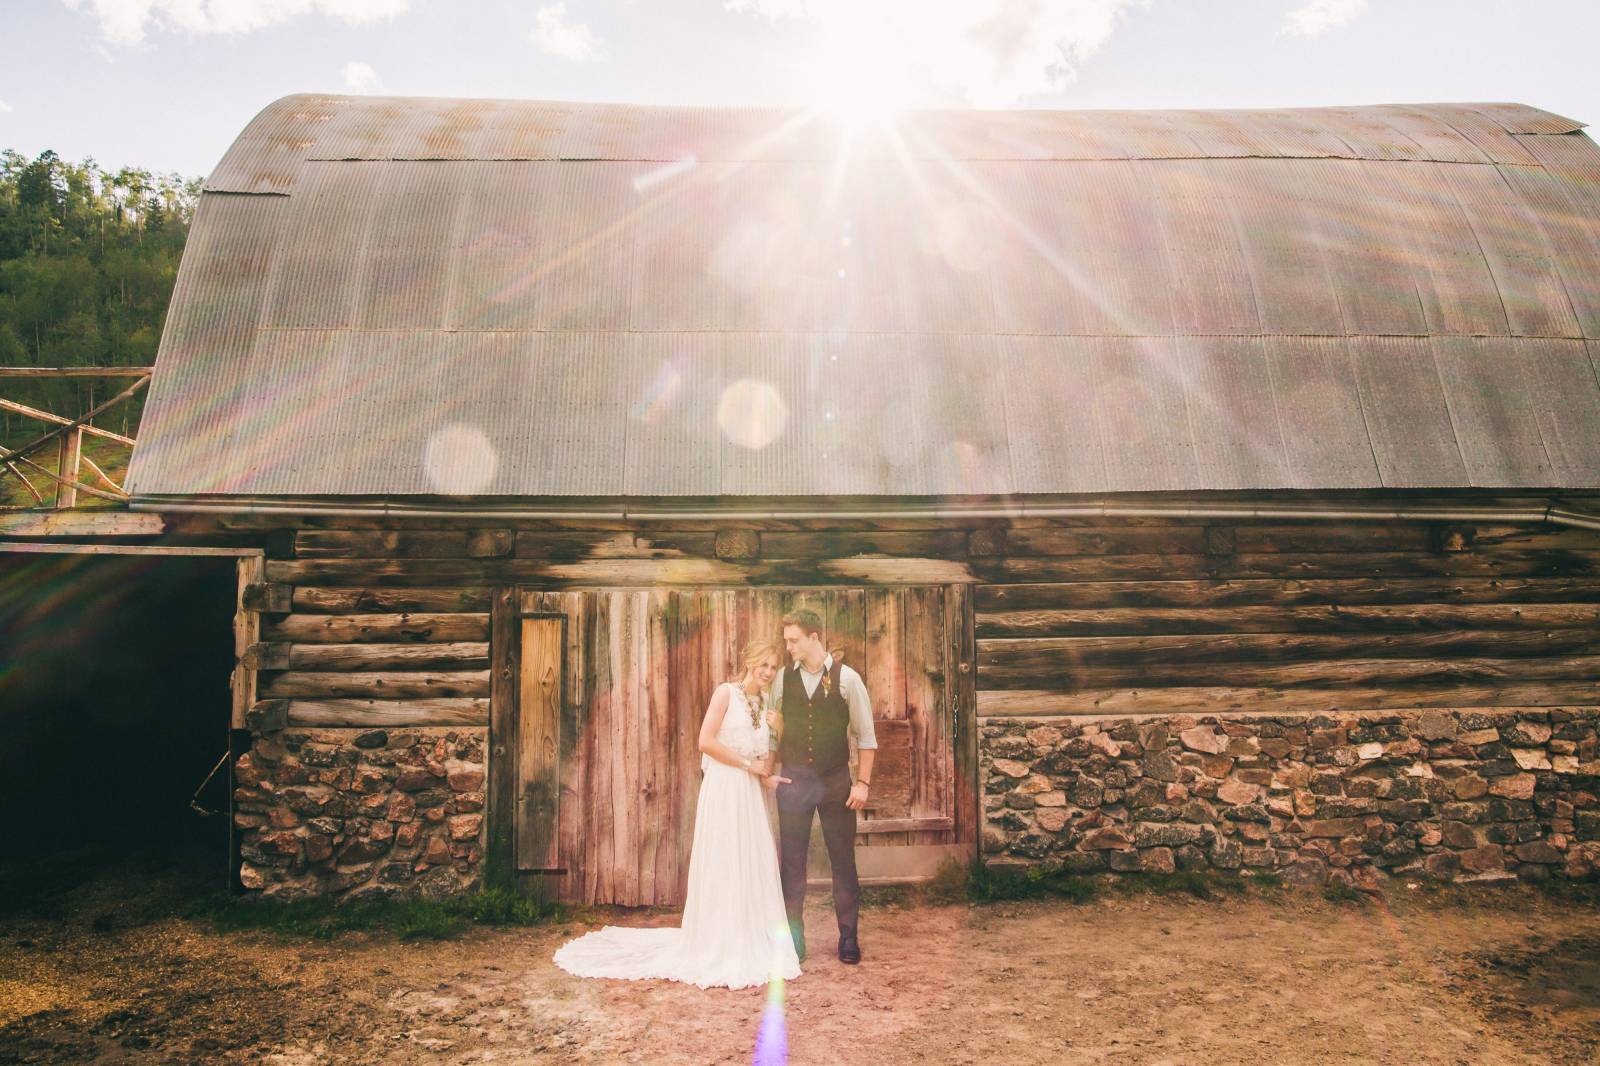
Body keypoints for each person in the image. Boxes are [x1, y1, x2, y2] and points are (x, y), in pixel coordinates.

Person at [552, 640, 801, 990]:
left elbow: (764, 761)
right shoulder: (725, 694)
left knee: (749, 862)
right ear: (749, 662)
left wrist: (776, 744)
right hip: (725, 788)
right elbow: (705, 742)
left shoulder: (765, 706)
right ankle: (717, 940)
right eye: (764, 664)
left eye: (774, 667)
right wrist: (748, 765)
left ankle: (746, 934)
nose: (768, 672)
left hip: (750, 796)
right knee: (724, 861)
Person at [769, 608, 877, 965]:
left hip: (835, 782)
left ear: (815, 637)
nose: (788, 647)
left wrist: (862, 782)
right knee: (792, 863)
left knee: (842, 860)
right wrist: (770, 770)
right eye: (786, 640)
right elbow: (773, 732)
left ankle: (848, 937)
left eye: (794, 640)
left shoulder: (848, 679)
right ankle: (794, 940)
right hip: (794, 781)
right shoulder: (783, 680)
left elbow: (866, 737)